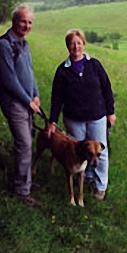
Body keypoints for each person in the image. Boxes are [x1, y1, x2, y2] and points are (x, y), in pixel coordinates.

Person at [47, 29, 116, 200]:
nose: (75, 47)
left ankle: (101, 186)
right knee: (79, 152)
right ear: (68, 46)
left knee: (100, 152)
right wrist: (53, 121)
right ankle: (87, 177)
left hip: (97, 116)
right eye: (72, 43)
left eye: (78, 43)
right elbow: (56, 98)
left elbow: (106, 88)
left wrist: (111, 112)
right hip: (73, 119)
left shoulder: (95, 65)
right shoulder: (62, 70)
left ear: (83, 44)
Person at [0, 5, 41, 207]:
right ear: (14, 21)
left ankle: (25, 181)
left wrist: (36, 95)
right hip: (15, 103)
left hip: (28, 103)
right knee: (25, 145)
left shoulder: (24, 44)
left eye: (30, 22)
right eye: (23, 21)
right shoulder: (3, 46)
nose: (26, 25)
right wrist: (27, 100)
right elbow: (9, 81)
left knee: (27, 142)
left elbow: (29, 72)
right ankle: (21, 193)